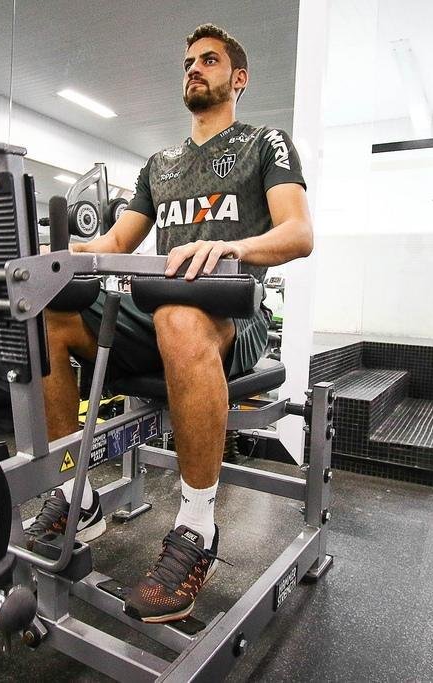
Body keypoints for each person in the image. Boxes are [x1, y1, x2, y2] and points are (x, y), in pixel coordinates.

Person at [26, 23, 313, 623]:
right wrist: (69, 252)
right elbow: (116, 242)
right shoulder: (159, 165)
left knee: (181, 315)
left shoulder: (266, 142)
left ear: (238, 79)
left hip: (231, 311)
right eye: (188, 62)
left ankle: (198, 526)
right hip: (158, 314)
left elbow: (299, 233)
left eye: (208, 61)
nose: (194, 69)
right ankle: (74, 493)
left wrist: (233, 248)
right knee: (54, 312)